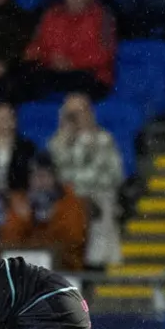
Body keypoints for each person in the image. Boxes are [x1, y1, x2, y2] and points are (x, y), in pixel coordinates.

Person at [48, 93, 123, 268]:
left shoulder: (104, 140)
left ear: (89, 113)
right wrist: (65, 140)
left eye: (79, 113)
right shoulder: (57, 143)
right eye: (70, 114)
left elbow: (114, 175)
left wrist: (77, 184)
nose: (75, 119)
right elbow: (55, 176)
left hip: (97, 207)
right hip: (68, 210)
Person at [20, 0, 116, 101]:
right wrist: (51, 59)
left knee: (82, 82)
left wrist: (73, 62)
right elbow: (35, 47)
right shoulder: (51, 15)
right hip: (54, 70)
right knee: (25, 78)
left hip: (89, 74)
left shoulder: (103, 17)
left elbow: (105, 54)